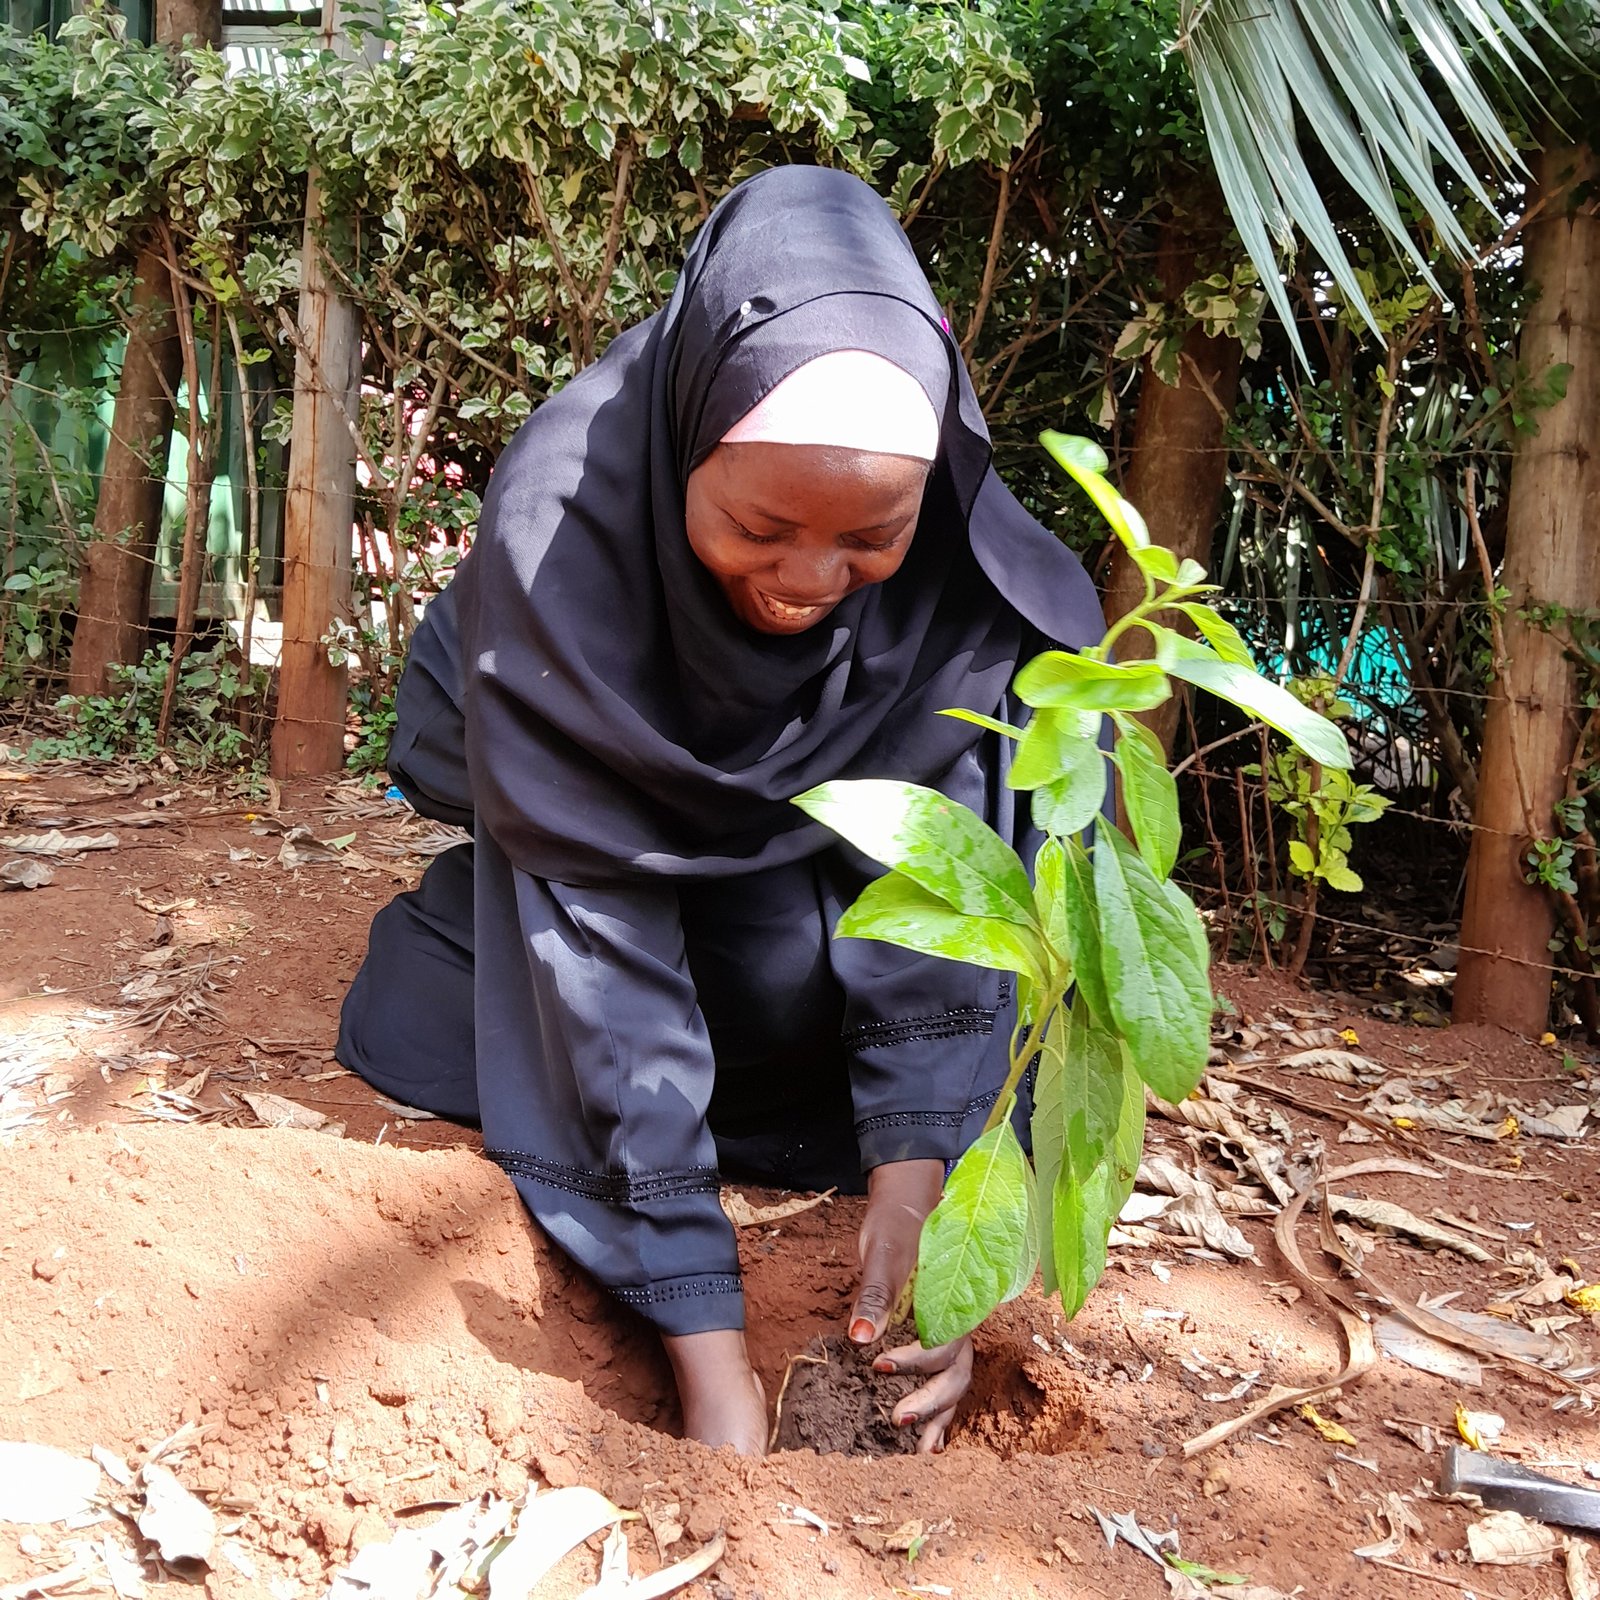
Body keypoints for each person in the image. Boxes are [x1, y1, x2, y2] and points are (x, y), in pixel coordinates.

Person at [337, 165, 1102, 1456]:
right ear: (690, 433)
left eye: (871, 536)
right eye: (761, 526)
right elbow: (601, 953)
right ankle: (676, 1169)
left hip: (827, 947)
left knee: (993, 1039)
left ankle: (837, 1122)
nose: (811, 578)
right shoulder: (562, 536)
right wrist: (706, 1353)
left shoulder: (951, 582)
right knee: (441, 1009)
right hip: (609, 897)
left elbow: (945, 899)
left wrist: (922, 1217)